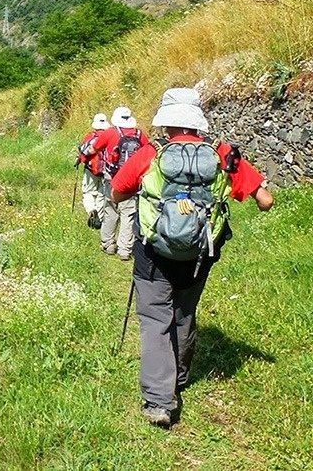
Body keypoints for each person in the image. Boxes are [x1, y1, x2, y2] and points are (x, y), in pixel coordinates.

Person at [111, 87, 273, 428]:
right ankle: (180, 378)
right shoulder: (222, 155)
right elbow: (266, 200)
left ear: (166, 122)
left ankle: (159, 401)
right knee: (184, 313)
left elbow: (117, 191)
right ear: (198, 121)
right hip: (200, 253)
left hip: (154, 254)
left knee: (156, 320)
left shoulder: (150, 154)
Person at [83, 106, 150, 260]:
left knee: (111, 210)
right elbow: (148, 154)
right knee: (129, 213)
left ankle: (108, 244)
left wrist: (83, 154)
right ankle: (125, 249)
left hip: (112, 178)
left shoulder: (111, 132)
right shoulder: (140, 134)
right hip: (133, 180)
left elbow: (92, 149)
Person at [77, 112, 109, 229]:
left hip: (91, 169)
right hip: (106, 170)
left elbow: (84, 153)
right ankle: (99, 220)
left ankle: (91, 210)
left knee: (88, 192)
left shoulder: (91, 136)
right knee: (102, 194)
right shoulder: (110, 136)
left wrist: (80, 160)